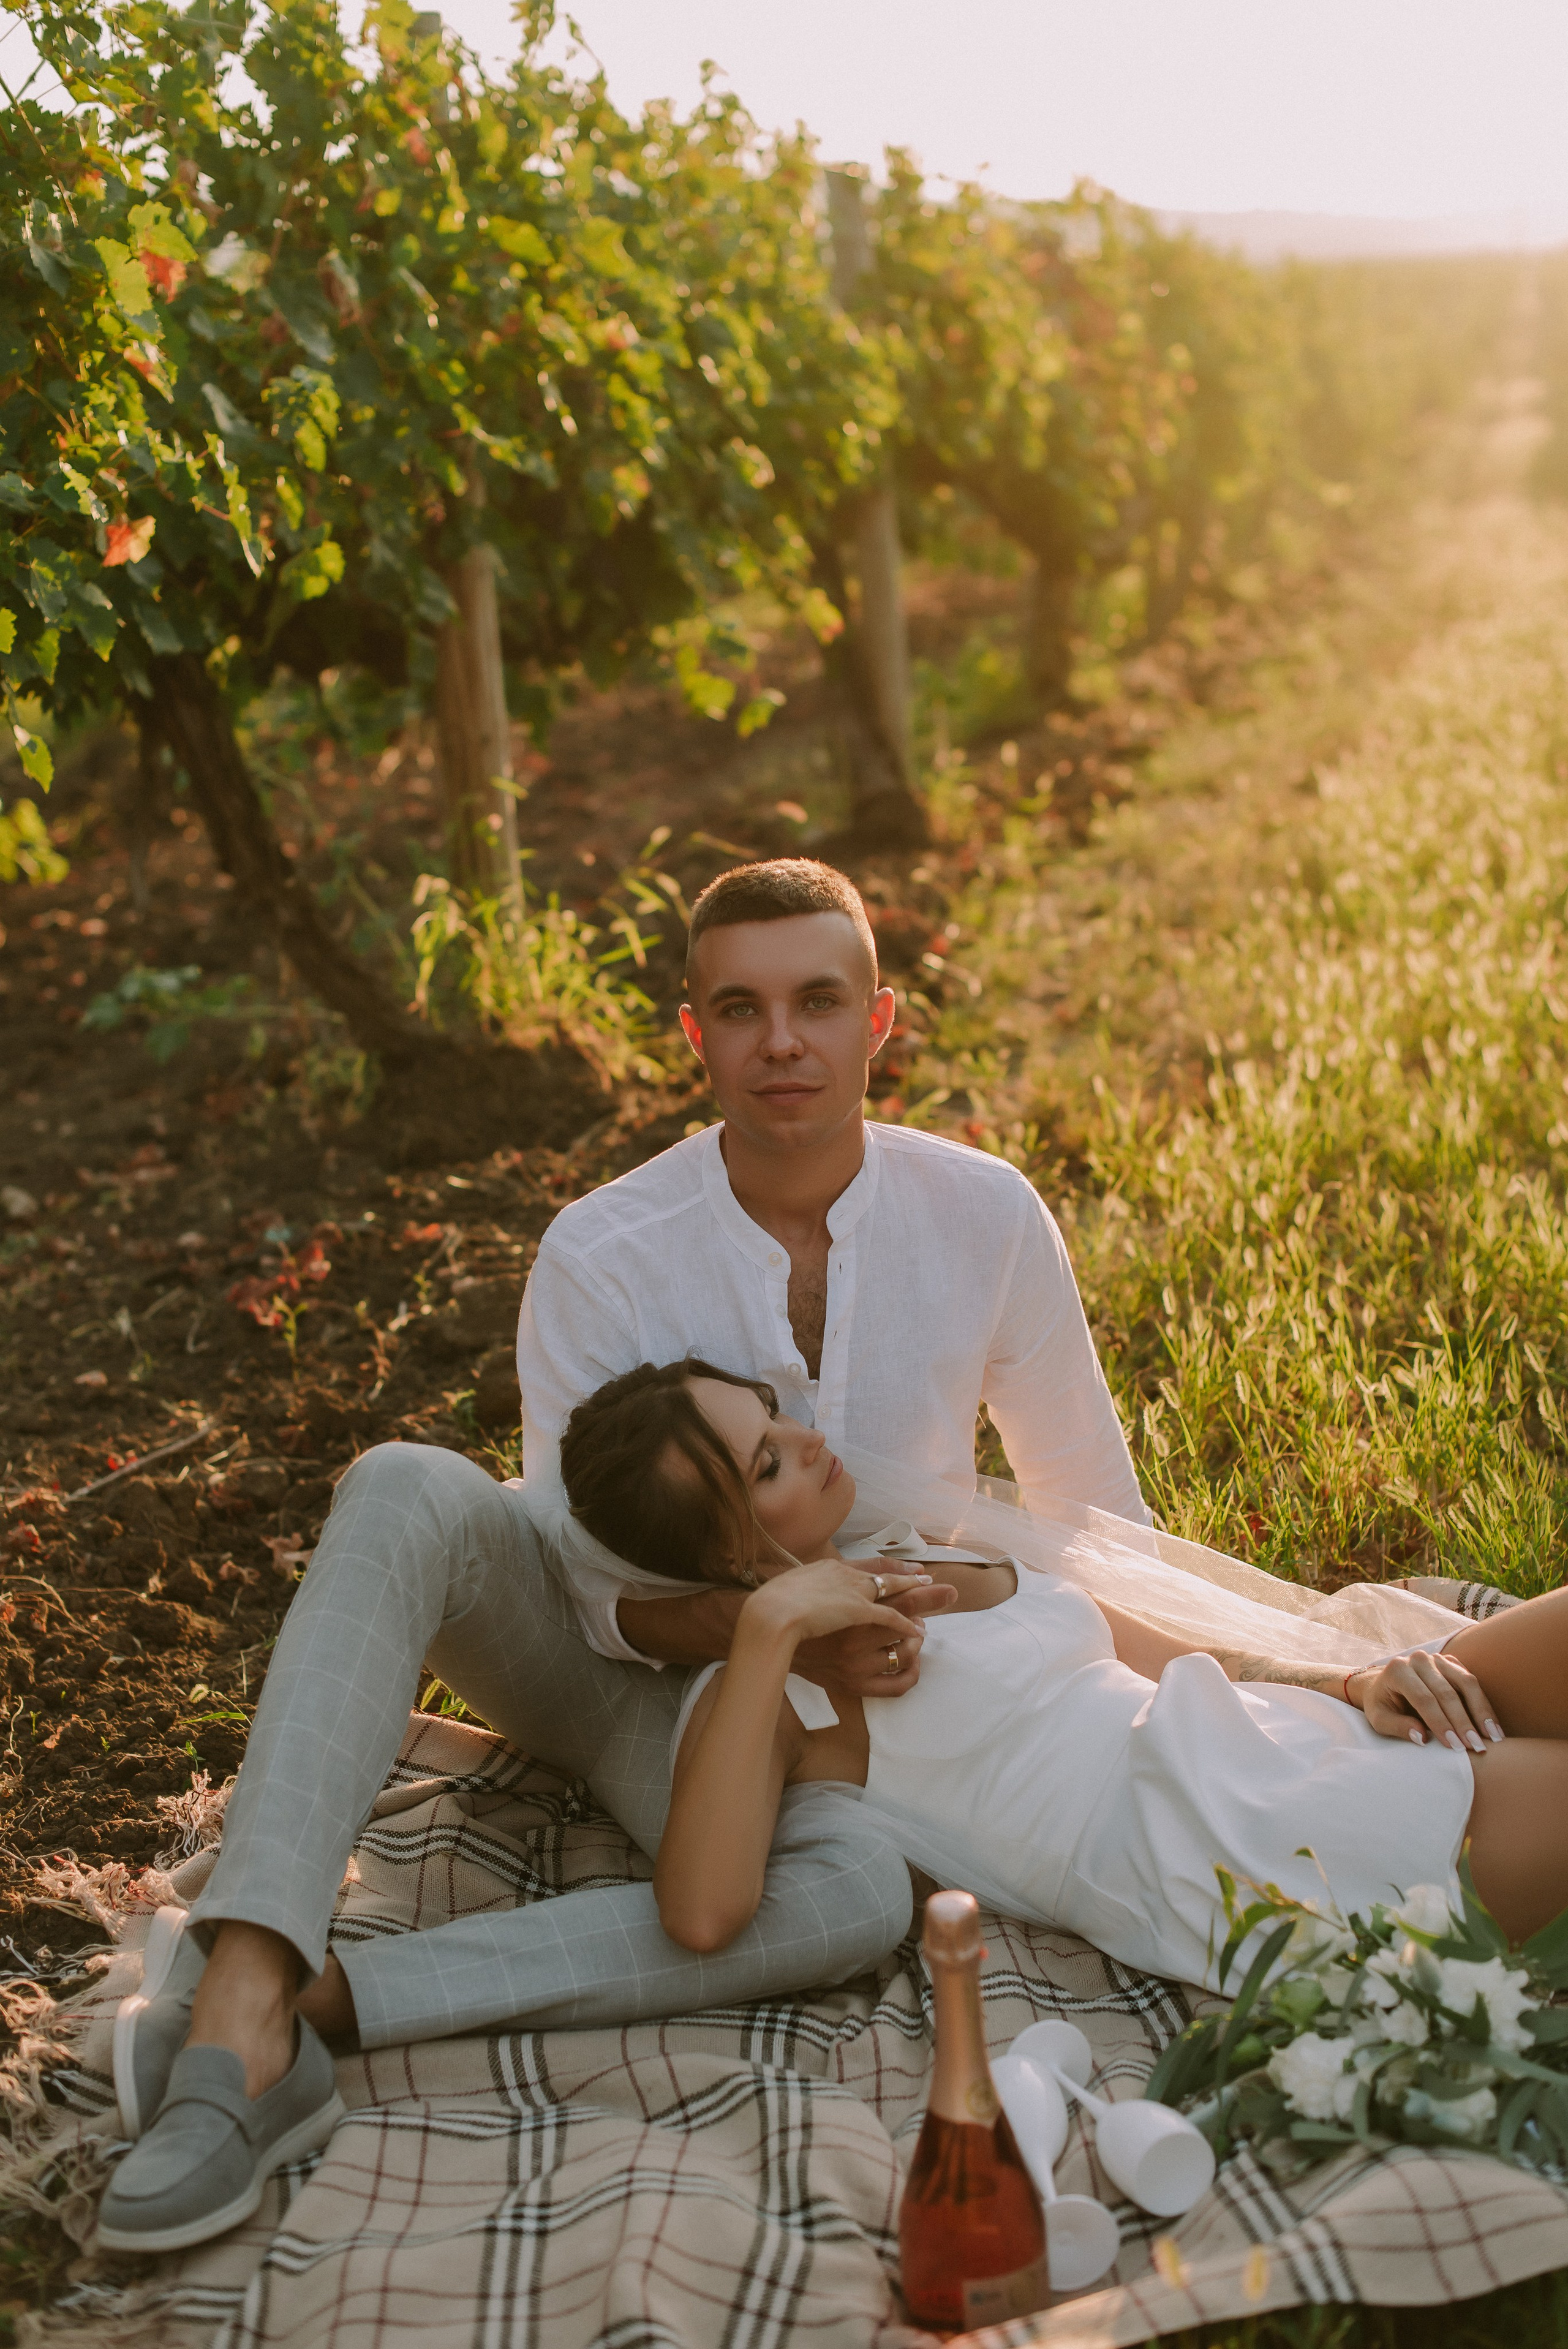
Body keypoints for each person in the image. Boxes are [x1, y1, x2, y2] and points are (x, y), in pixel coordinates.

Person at [92, 856, 1499, 2253]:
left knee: (847, 1901)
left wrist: (1289, 1668)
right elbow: (585, 1581)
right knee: (404, 1480)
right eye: (740, 1008)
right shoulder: (602, 1248)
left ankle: (352, 2002)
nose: (782, 1042)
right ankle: (244, 2002)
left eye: (818, 1002)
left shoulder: (982, 1211)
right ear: (691, 1030)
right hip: (627, 1670)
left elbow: (1087, 1520)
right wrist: (780, 1625)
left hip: (885, 1693)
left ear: (877, 1021)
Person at [560, 1359, 1568, 1983]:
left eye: (773, 1414)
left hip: (1272, 1734)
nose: (807, 1439)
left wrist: (1348, 1682)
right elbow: (700, 1912)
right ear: (725, 1555)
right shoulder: (767, 1701)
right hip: (1238, 1843)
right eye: (766, 1463)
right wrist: (772, 1623)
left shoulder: (935, 1550)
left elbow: (1181, 1658)